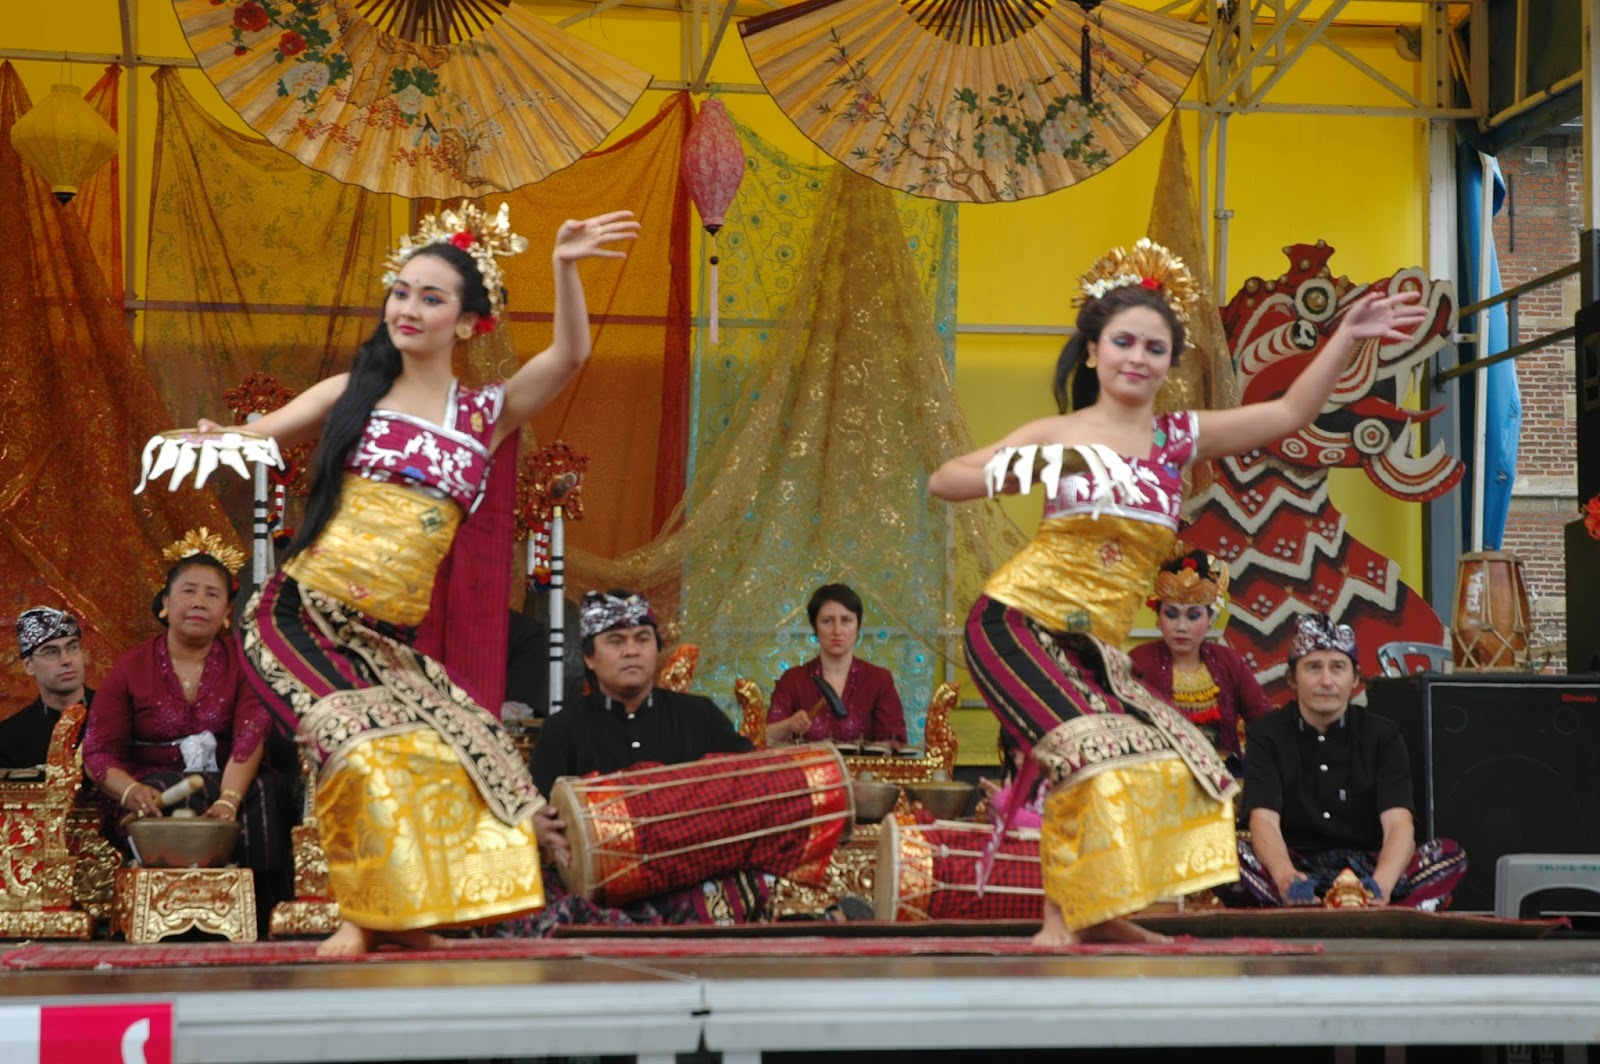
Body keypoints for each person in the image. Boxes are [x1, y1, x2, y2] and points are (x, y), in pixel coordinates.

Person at [929, 238, 1428, 946]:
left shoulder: (1174, 440)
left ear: (1171, 362)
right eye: (1123, 342)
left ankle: (1098, 914)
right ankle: (1061, 922)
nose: (1138, 357)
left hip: (1088, 645)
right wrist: (1041, 460)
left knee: (1176, 762)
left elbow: (1287, 416)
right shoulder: (1060, 433)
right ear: (1095, 352)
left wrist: (1347, 334)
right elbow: (944, 480)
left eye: (1155, 347)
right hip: (1016, 622)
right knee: (1083, 750)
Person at [202, 202, 638, 956]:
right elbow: (255, 434)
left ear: (469, 322)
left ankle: (413, 917)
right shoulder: (354, 392)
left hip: (383, 638)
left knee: (472, 751)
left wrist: (564, 268)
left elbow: (568, 357)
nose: (408, 307)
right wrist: (216, 438)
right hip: (297, 616)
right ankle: (361, 916)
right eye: (402, 291)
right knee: (357, 742)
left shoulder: (482, 414)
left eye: (431, 297)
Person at [511, 589, 768, 933]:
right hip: (597, 890)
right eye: (615, 641)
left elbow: (753, 784)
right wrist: (540, 830)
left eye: (642, 639)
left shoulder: (699, 715)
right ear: (589, 658)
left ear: (656, 649)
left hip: (689, 881)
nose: (631, 650)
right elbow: (537, 811)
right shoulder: (563, 729)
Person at [81, 537, 292, 920]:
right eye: (188, 591)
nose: (199, 602)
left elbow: (250, 734)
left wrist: (229, 800)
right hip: (149, 784)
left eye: (212, 595)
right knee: (166, 792)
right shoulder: (130, 666)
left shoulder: (245, 663)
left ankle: (260, 910)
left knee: (267, 789)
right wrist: (129, 790)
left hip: (232, 781)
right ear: (165, 604)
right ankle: (170, 909)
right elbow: (97, 750)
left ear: (227, 612)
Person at [1229, 612, 1466, 909]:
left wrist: (1383, 882)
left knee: (1449, 855)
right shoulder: (1267, 734)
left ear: (1354, 678)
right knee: (1226, 853)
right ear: (1292, 678)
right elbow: (1263, 820)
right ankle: (1301, 903)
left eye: (1337, 668)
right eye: (1313, 668)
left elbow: (1398, 824)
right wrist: (1285, 876)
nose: (1326, 681)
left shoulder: (1383, 735)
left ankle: (1378, 906)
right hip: (1297, 868)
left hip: (1368, 870)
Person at [1129, 549, 1272, 775]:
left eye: (1193, 615)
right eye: (1171, 614)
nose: (1182, 627)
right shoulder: (1139, 661)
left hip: (1224, 782)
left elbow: (1264, 725)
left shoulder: (1228, 661)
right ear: (1158, 617)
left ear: (1210, 620)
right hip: (1159, 782)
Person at [766, 583, 907, 747]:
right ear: (814, 628)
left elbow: (896, 742)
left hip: (864, 772)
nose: (837, 631)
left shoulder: (879, 680)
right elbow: (764, 739)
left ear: (858, 626)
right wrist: (789, 724)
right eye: (827, 621)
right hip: (808, 772)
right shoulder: (793, 680)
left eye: (846, 620)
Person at [0, 608, 93, 769]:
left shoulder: (118, 715)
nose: (66, 660)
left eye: (72, 648)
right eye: (51, 652)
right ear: (29, 666)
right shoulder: (8, 738)